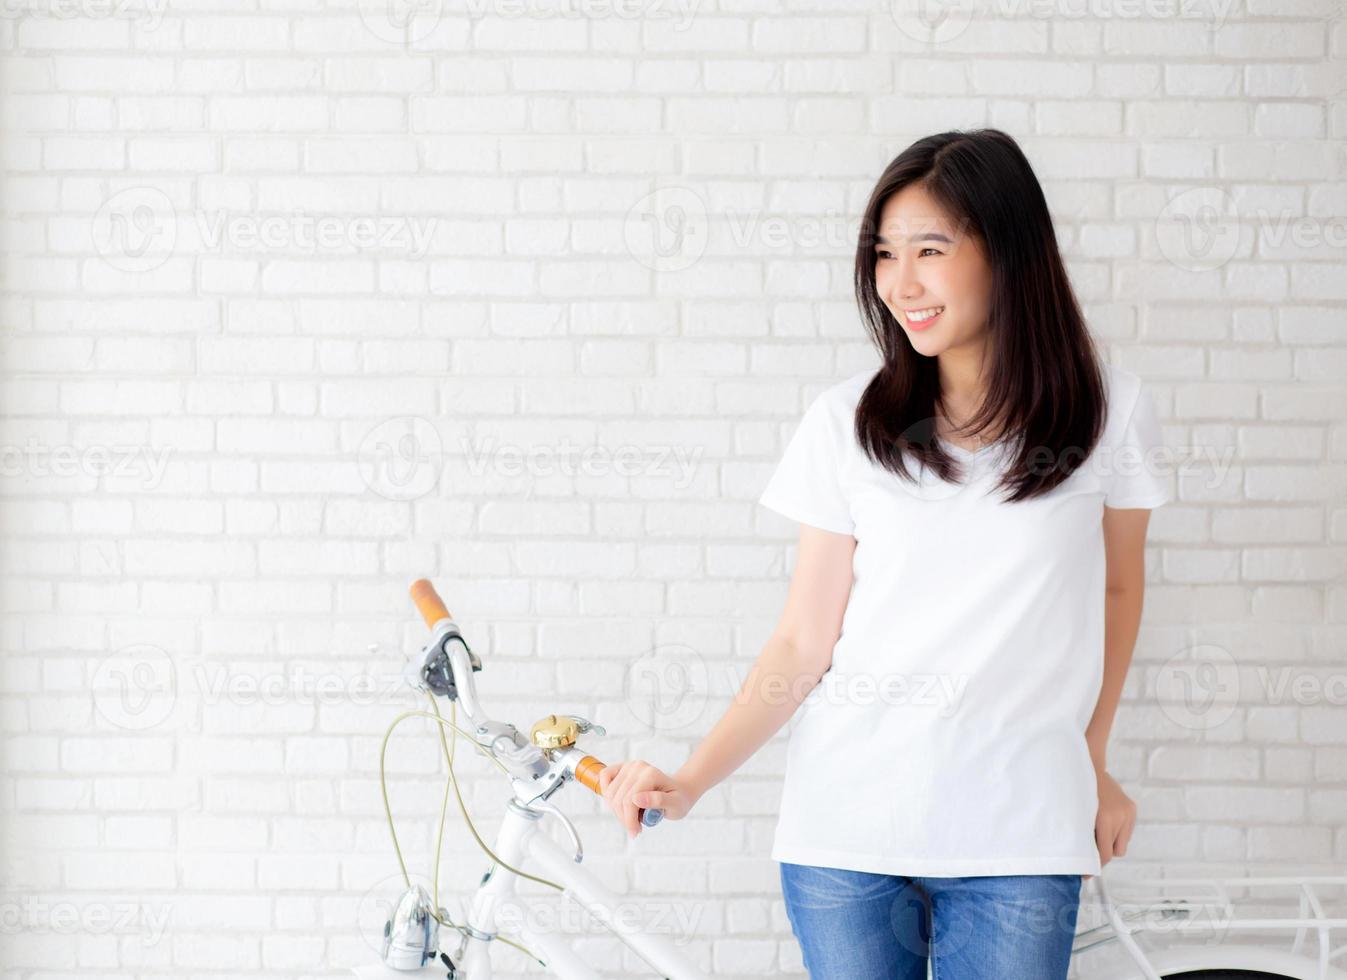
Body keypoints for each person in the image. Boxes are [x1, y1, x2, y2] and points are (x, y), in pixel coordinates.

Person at [598, 128, 1171, 979]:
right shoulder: (846, 422)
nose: (901, 283)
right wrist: (691, 779)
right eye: (883, 254)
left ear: (1008, 252)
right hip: (846, 838)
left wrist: (1089, 760)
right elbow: (802, 640)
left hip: (1021, 835)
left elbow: (1117, 593)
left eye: (930, 249)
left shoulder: (1107, 414)